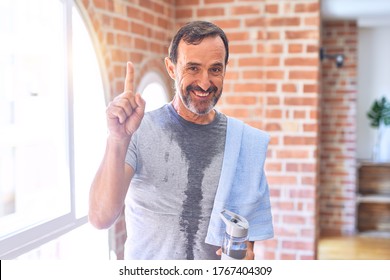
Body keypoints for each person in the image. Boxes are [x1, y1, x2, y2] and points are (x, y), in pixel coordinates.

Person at [89, 21, 273, 260]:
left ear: (225, 69)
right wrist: (116, 138)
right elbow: (100, 217)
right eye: (193, 68)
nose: (205, 83)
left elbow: (244, 238)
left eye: (215, 69)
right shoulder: (138, 131)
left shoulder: (243, 144)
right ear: (171, 68)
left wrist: (246, 254)